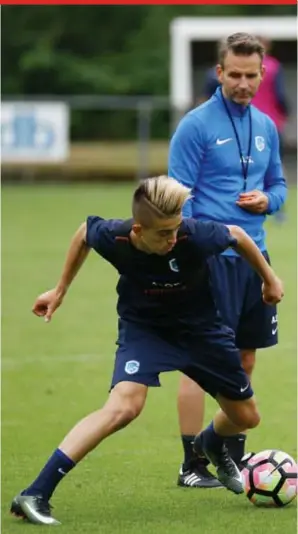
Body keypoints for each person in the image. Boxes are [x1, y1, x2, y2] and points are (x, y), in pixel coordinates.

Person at [11, 175, 284, 525]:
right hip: (145, 330)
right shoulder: (117, 236)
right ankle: (35, 493)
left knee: (247, 418)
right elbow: (84, 232)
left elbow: (239, 235)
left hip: (202, 332)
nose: (173, 239)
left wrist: (269, 279)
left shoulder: (193, 234)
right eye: (163, 234)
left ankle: (211, 444)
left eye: (176, 229)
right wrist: (60, 289)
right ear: (139, 229)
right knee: (124, 407)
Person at [168, 32, 287, 489]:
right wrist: (198, 248)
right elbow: (179, 196)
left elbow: (279, 185)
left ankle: (225, 454)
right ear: (218, 73)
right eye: (233, 74)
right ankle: (190, 465)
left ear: (262, 74)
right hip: (209, 259)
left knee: (245, 362)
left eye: (250, 75)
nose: (242, 83)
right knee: (200, 362)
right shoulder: (196, 126)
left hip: (253, 257)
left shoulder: (266, 127)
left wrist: (267, 202)